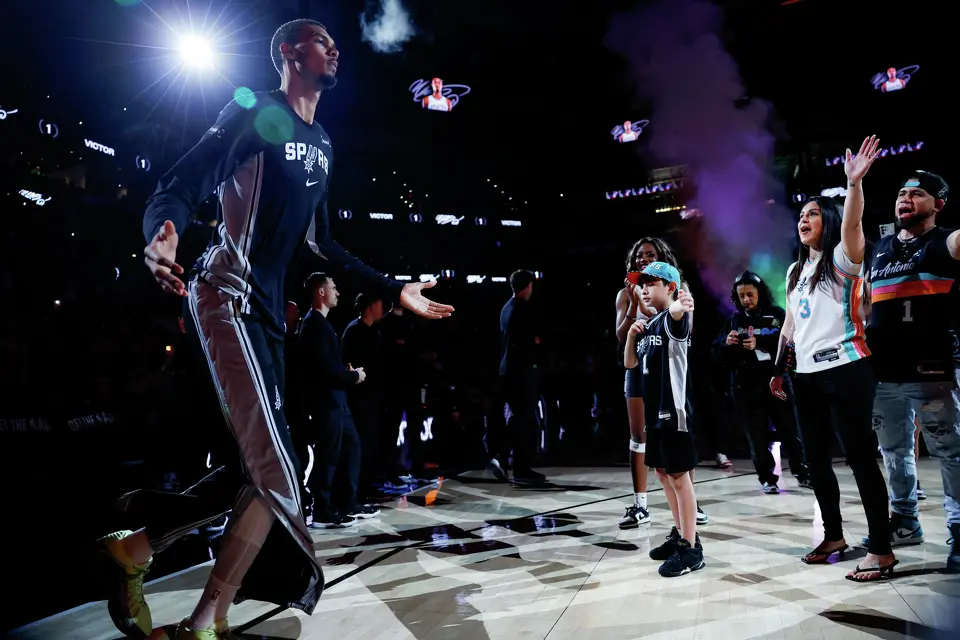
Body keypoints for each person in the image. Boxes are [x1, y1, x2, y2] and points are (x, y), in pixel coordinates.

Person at [97, 18, 453, 639]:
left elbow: (321, 245)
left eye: (333, 40)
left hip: (265, 316)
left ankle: (138, 547)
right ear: (288, 53)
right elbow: (184, 178)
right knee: (281, 469)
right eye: (321, 39)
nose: (334, 46)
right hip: (224, 294)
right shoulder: (255, 110)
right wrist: (163, 232)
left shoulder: (324, 143)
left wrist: (392, 286)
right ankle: (207, 619)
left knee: (253, 472)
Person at [771, 136, 897, 582]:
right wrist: (779, 366)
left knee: (861, 458)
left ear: (826, 220)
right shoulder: (793, 271)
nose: (803, 220)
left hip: (846, 368)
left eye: (811, 214)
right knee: (816, 463)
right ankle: (834, 536)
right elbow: (791, 323)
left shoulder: (844, 257)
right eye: (799, 215)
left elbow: (853, 225)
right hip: (805, 375)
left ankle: (881, 550)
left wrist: (853, 185)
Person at [864, 169, 959, 572]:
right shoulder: (879, 249)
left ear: (937, 204)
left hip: (933, 371)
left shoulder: (947, 242)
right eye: (902, 193)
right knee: (895, 451)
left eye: (917, 193)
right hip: (884, 374)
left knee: (951, 453)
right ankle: (905, 520)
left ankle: (958, 529)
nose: (905, 198)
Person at [614, 237, 713, 530]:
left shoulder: (676, 292)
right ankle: (642, 505)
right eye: (639, 255)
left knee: (677, 441)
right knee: (643, 440)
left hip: (667, 370)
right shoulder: (628, 294)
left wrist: (681, 306)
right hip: (640, 367)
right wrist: (634, 305)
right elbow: (623, 340)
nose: (643, 258)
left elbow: (683, 322)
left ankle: (689, 513)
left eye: (650, 254)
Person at [624, 261, 704, 577]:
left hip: (675, 413)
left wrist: (680, 305)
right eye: (640, 284)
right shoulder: (650, 324)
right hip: (655, 414)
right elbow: (630, 363)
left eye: (651, 283)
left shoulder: (671, 320)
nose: (643, 289)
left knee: (680, 476)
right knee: (662, 472)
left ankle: (691, 547)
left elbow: (677, 313)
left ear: (669, 287)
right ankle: (679, 534)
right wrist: (631, 335)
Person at [716, 271, 810, 493]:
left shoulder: (777, 315)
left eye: (750, 294)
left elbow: (789, 344)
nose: (746, 300)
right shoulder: (733, 320)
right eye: (742, 296)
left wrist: (760, 343)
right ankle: (767, 478)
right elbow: (719, 358)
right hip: (746, 386)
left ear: (760, 293)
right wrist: (727, 344)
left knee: (790, 430)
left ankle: (803, 472)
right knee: (756, 435)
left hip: (776, 381)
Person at [299, 273, 379, 527]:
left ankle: (347, 502)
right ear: (321, 293)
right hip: (327, 403)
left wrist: (346, 373)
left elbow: (328, 365)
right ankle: (322, 509)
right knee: (329, 455)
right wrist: (354, 376)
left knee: (350, 448)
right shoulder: (314, 325)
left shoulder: (321, 324)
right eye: (333, 288)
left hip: (337, 401)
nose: (338, 292)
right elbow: (323, 370)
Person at [490, 269, 545, 483]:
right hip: (521, 372)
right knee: (522, 419)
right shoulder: (522, 309)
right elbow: (530, 342)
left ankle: (505, 459)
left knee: (518, 418)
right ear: (528, 285)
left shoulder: (506, 307)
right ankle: (514, 464)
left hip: (508, 370)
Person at [341, 292, 388, 497]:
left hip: (374, 397)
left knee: (371, 441)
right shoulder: (354, 331)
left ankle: (369, 483)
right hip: (360, 399)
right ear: (369, 306)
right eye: (379, 303)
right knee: (361, 442)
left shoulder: (374, 331)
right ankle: (359, 489)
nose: (383, 307)